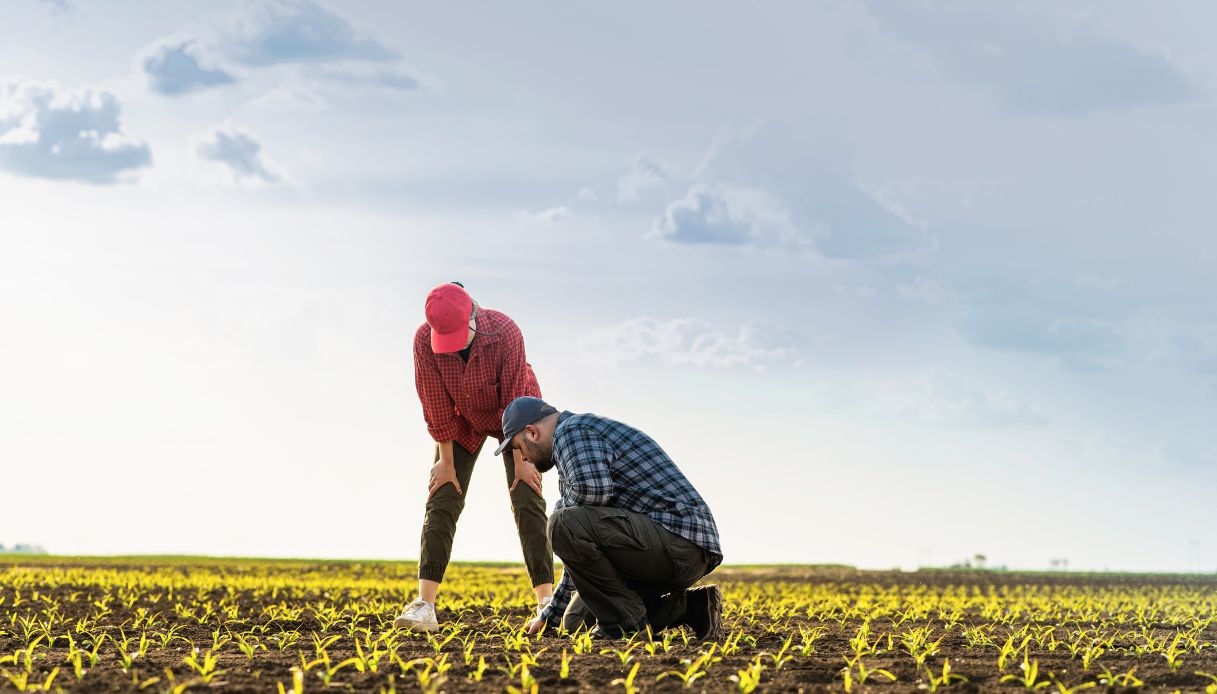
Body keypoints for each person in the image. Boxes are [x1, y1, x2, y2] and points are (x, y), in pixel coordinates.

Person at [393, 283, 554, 631]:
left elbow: (515, 399)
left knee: (526, 495)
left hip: (515, 413)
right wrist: (446, 463)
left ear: (474, 314)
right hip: (461, 418)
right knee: (443, 494)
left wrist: (522, 463)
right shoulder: (423, 341)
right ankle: (424, 605)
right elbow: (435, 402)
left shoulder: (505, 331)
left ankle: (547, 602)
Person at [497, 396, 725, 640]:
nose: (523, 458)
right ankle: (692, 607)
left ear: (532, 432)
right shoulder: (572, 448)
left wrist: (560, 515)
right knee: (575, 621)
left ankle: (627, 627)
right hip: (662, 549)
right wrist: (549, 615)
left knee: (561, 522)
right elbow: (580, 553)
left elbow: (590, 497)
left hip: (679, 540)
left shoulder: (571, 431)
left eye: (519, 448)